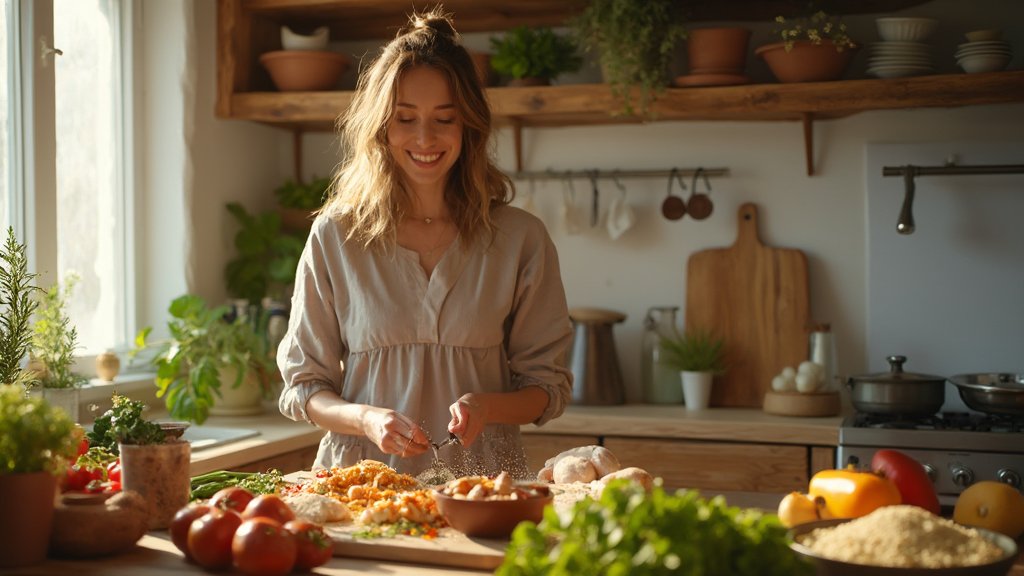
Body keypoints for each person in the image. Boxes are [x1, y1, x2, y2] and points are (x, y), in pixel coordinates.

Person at [276, 8, 573, 480]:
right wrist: (366, 418)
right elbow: (305, 388)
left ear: (469, 126)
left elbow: (546, 388)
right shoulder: (336, 235)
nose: (424, 138)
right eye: (405, 118)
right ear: (380, 128)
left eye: (444, 119)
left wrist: (486, 406)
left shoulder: (521, 238)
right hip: (359, 483)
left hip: (482, 486)